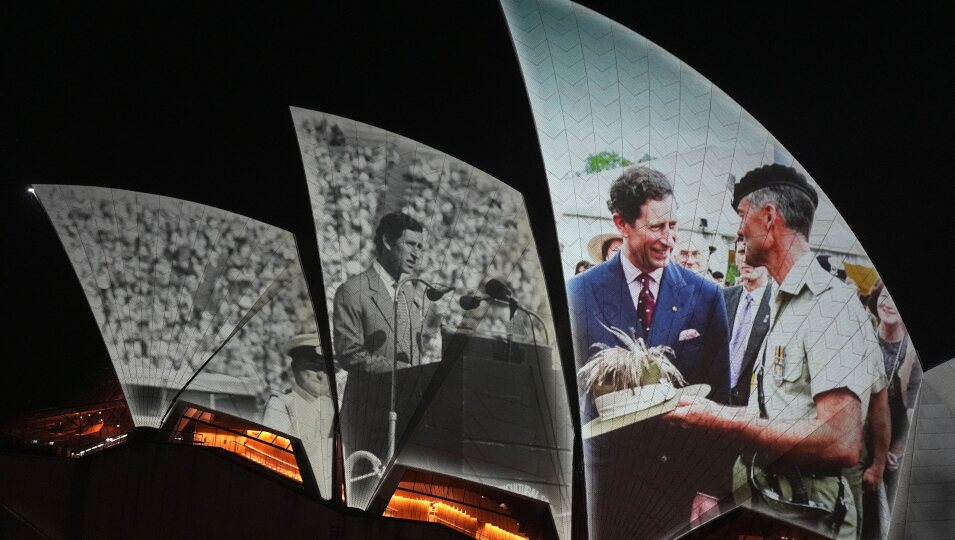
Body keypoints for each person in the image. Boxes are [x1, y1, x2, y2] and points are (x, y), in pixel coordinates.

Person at [666, 164, 883, 540]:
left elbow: (840, 439)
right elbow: (778, 411)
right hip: (767, 509)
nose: (738, 230)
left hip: (805, 520)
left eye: (741, 215)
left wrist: (720, 418)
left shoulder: (829, 305)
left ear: (768, 217)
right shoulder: (784, 301)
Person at [567, 166, 731, 539]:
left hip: (675, 490)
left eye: (673, 225)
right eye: (657, 228)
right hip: (599, 488)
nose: (669, 240)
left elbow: (721, 395)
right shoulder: (578, 293)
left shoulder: (705, 297)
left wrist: (710, 487)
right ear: (621, 224)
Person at [332, 212, 426, 374]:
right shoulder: (353, 290)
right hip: (372, 397)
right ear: (387, 241)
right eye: (410, 244)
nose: (416, 254)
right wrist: (405, 373)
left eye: (419, 247)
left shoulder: (409, 294)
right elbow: (350, 354)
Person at [866, 279, 921, 503]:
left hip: (892, 456)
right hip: (859, 448)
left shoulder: (912, 354)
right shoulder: (863, 337)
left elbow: (916, 413)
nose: (889, 304)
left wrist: (898, 451)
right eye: (884, 296)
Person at [262, 333, 335, 499]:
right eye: (313, 367)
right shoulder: (281, 405)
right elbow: (272, 455)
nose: (321, 375)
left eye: (325, 369)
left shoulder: (334, 409)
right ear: (295, 369)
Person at [723, 241, 771, 407]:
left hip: (752, 405)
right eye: (742, 252)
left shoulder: (776, 304)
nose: (747, 259)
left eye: (755, 253)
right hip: (717, 399)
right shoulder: (722, 297)